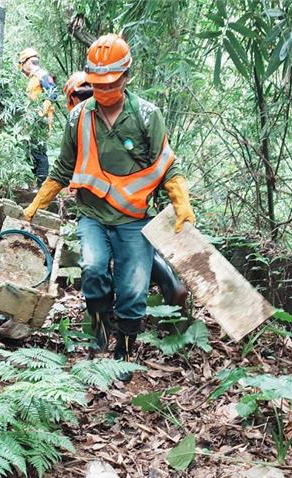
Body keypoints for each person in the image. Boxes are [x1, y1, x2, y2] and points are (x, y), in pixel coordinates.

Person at [23, 34, 196, 381]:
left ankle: (125, 349)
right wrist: (36, 205)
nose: (103, 91)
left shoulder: (147, 117)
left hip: (133, 219)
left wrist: (181, 203)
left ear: (126, 76)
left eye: (111, 84)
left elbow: (167, 166)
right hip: (92, 215)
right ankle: (100, 327)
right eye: (97, 84)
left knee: (133, 287)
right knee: (94, 268)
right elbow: (61, 169)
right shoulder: (78, 118)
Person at [62, 70, 190, 312]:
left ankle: (117, 305)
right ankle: (167, 283)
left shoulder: (86, 114)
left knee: (117, 249)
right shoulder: (119, 111)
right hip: (138, 196)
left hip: (120, 199)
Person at [18, 48, 58, 188]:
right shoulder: (34, 78)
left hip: (40, 121)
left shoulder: (42, 75)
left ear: (27, 63)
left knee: (39, 153)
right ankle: (36, 184)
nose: (22, 70)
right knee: (32, 151)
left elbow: (52, 94)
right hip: (32, 120)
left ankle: (42, 186)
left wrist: (41, 111)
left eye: (22, 66)